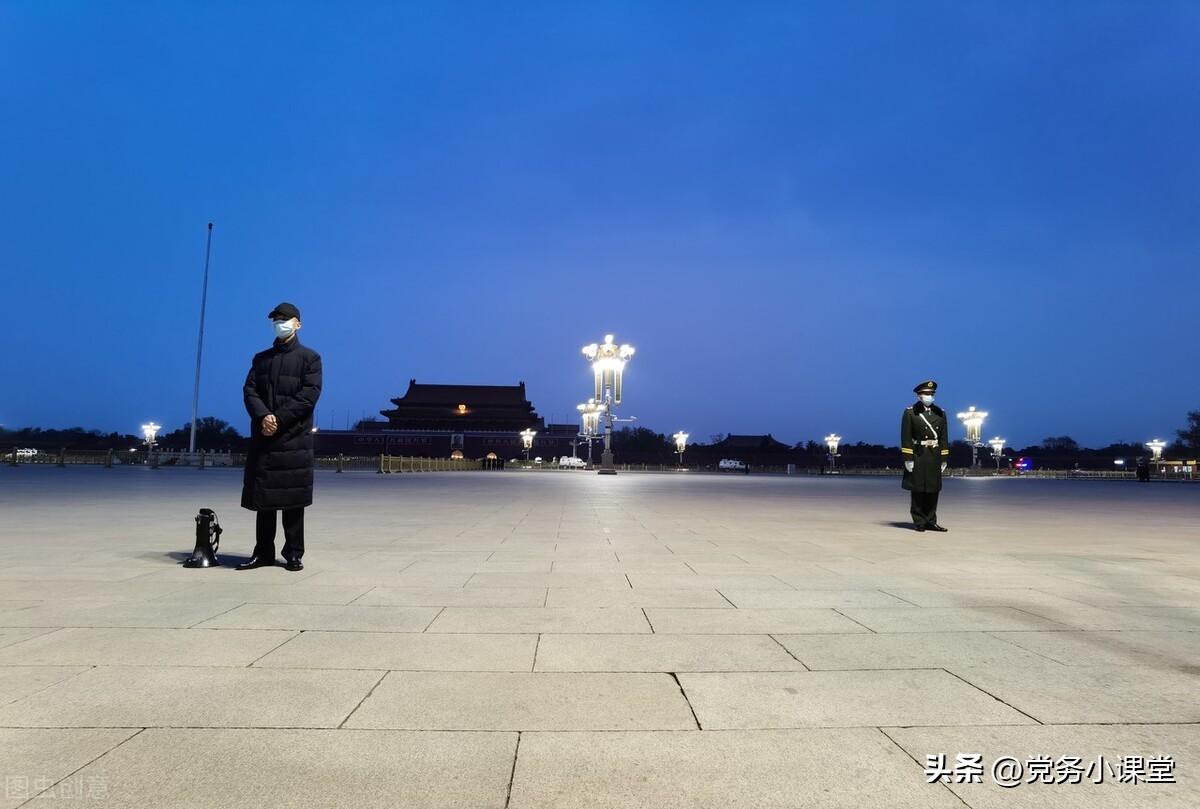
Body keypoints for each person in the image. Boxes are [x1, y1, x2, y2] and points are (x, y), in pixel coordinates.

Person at [237, 302, 323, 571]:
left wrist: (279, 418)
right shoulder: (261, 359)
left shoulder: (310, 358)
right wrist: (264, 416)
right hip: (265, 437)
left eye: (285, 319)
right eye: (276, 319)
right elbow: (250, 391)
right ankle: (262, 552)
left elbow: (308, 396)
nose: (279, 323)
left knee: (292, 501)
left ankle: (294, 553)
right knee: (264, 500)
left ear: (298, 324)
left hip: (293, 439)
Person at [900, 380, 949, 532]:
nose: (929, 396)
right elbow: (906, 436)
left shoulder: (940, 413)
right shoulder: (910, 412)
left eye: (932, 394)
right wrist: (908, 458)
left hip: (933, 455)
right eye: (926, 394)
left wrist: (944, 458)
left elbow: (944, 437)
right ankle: (919, 521)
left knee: (933, 490)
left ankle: (931, 521)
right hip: (918, 455)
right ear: (919, 395)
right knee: (918, 490)